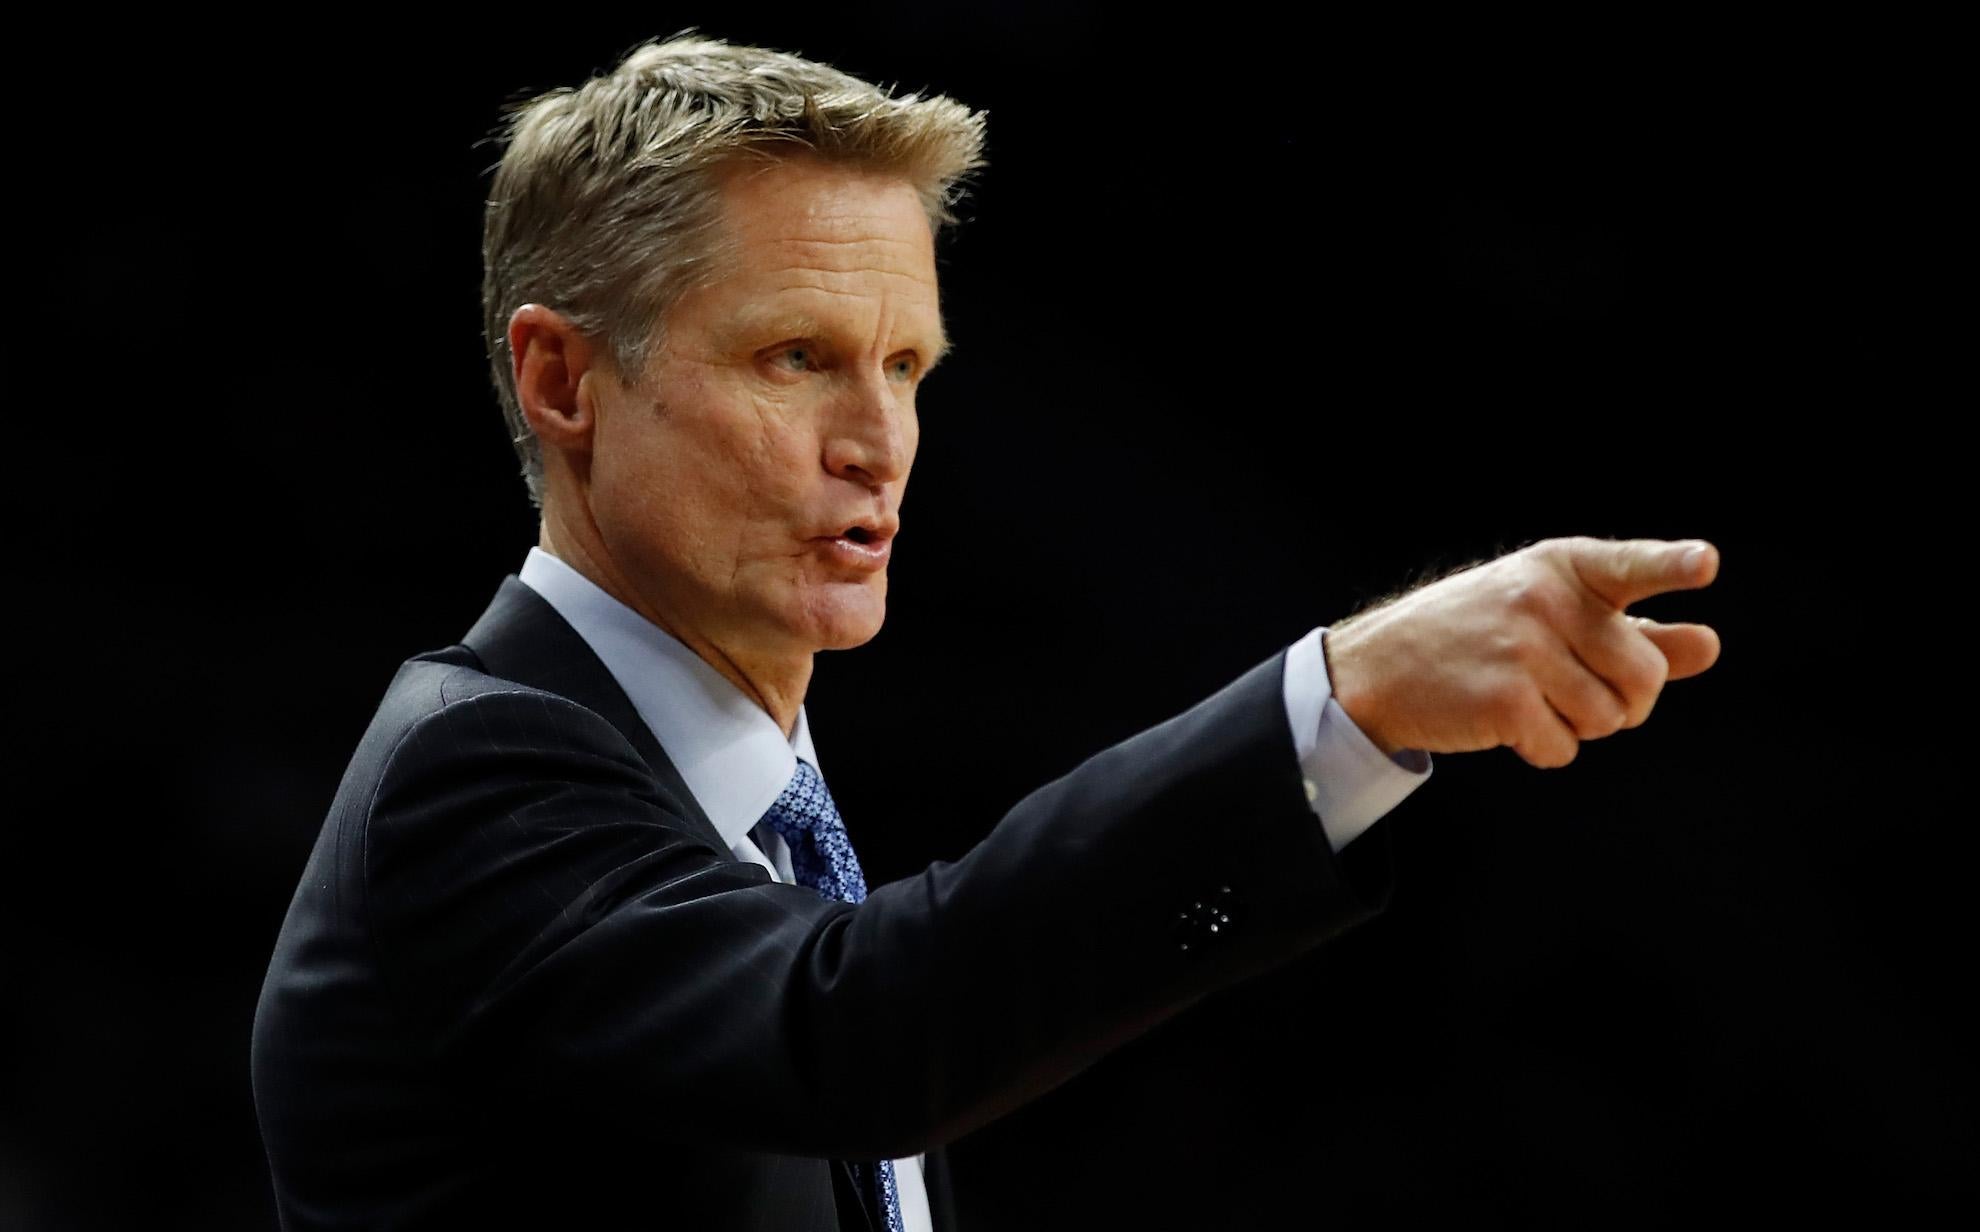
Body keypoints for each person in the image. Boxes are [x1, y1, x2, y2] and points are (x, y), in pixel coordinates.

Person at [250, 33, 1722, 1231]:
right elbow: (859, 1033)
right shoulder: (477, 773)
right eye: (797, 359)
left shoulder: (759, 823)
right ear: (566, 382)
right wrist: (1347, 699)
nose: (877, 441)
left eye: (906, 367)